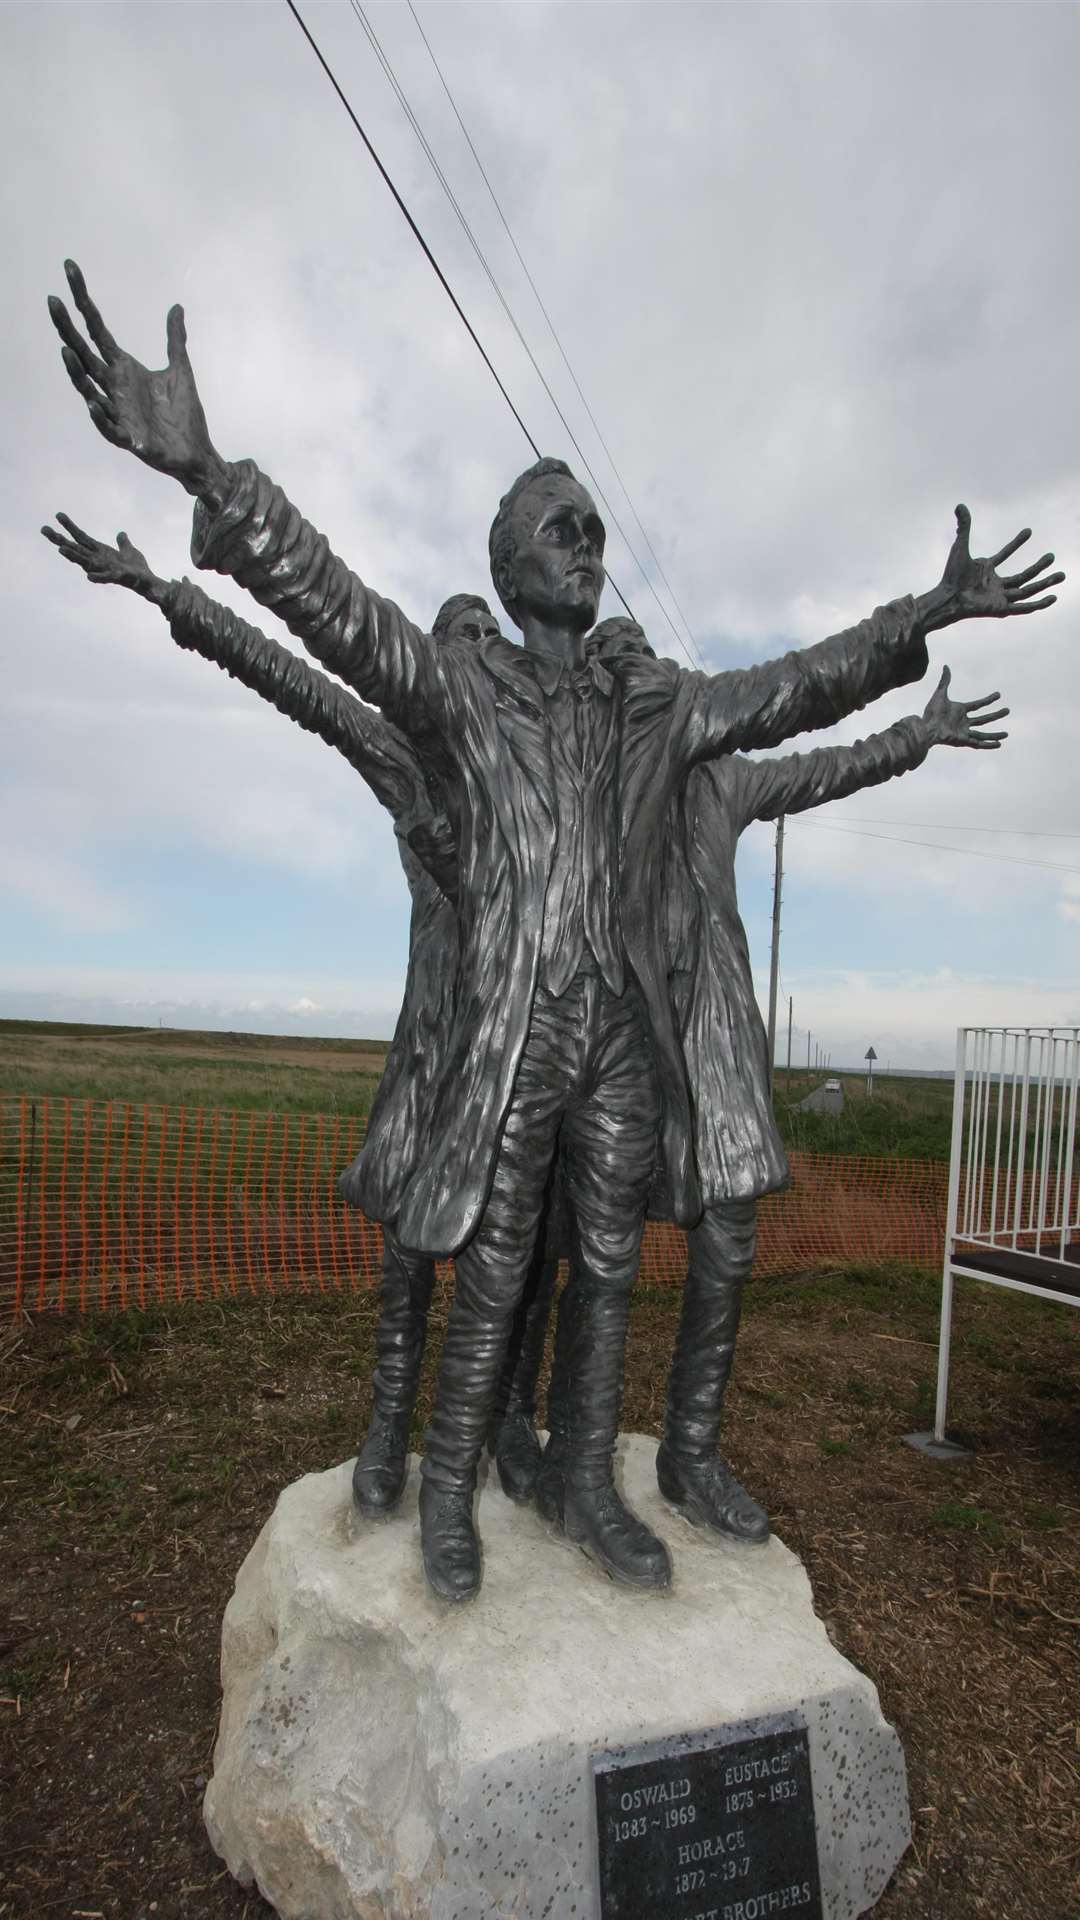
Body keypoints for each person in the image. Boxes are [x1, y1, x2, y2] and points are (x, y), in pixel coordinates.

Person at [47, 259, 1063, 1604]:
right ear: (510, 563)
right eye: (562, 527)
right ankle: (452, 1489)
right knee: (498, 1266)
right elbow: (334, 623)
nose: (589, 543)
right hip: (522, 1030)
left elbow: (795, 688)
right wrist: (209, 474)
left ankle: (590, 1484)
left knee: (606, 1274)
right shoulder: (459, 697)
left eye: (593, 527)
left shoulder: (664, 707)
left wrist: (918, 620)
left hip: (623, 1038)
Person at [493, 620, 1009, 1544]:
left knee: (728, 1245)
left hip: (714, 1031)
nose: (640, 683)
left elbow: (826, 766)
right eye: (621, 669)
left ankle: (688, 1455)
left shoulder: (725, 781)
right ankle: (534, 1435)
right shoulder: (592, 783)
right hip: (613, 1027)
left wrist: (915, 738)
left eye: (646, 667)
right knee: (554, 1245)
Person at [38, 509, 505, 1518]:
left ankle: (494, 1429)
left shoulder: (537, 780)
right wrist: (166, 592)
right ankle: (388, 1429)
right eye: (457, 638)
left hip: (524, 1047)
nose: (476, 653)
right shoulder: (407, 755)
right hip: (436, 1042)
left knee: (514, 1248)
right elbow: (294, 680)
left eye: (489, 638)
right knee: (407, 1254)